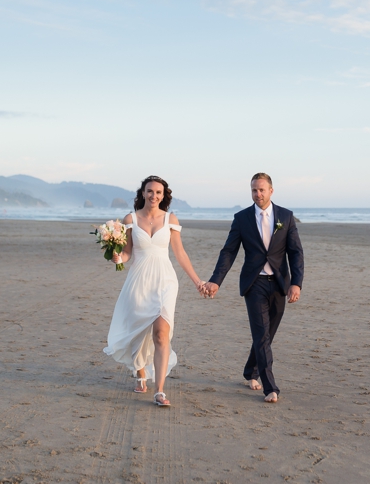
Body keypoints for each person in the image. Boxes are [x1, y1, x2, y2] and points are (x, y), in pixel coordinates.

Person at [103, 176, 207, 407]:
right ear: (142, 193)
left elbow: (180, 254)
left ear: (164, 195)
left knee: (161, 332)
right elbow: (128, 253)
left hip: (165, 280)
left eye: (158, 192)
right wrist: (117, 257)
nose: (154, 196)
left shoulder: (170, 219)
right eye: (150, 191)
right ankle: (140, 373)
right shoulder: (131, 219)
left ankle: (159, 390)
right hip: (139, 280)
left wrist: (197, 281)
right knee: (137, 330)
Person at [204, 173, 304, 403]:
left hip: (279, 284)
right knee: (260, 335)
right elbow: (229, 252)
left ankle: (250, 371)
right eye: (253, 190)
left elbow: (296, 252)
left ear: (271, 190)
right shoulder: (242, 218)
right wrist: (216, 280)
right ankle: (270, 387)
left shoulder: (286, 217)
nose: (257, 194)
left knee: (267, 335)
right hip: (254, 283)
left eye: (261, 190)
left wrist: (296, 283)